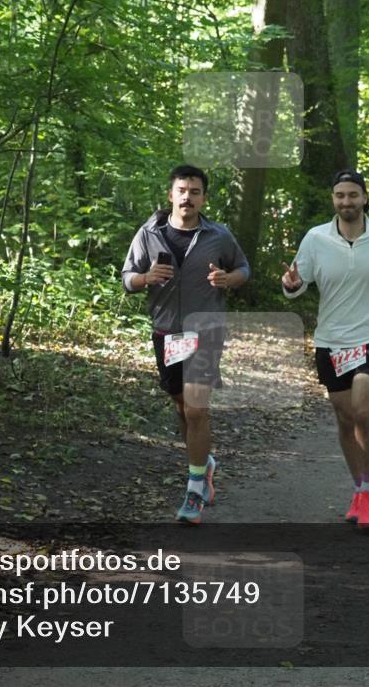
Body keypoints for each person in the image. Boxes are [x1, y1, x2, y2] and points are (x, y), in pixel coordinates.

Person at [281, 170, 369, 530]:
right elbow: (298, 282)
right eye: (340, 195)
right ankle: (359, 489)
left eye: (353, 195)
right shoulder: (316, 238)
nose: (346, 201)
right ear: (334, 199)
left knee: (362, 411)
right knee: (345, 418)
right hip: (331, 340)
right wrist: (292, 285)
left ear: (365, 198)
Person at [122, 165, 250, 524]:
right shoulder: (149, 233)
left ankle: (194, 490)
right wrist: (146, 277)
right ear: (171, 194)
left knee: (195, 409)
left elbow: (243, 269)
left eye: (195, 192)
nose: (187, 197)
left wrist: (228, 279)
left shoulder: (218, 235)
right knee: (182, 407)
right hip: (166, 331)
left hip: (205, 330)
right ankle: (203, 464)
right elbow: (127, 278)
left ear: (203, 198)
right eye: (182, 190)